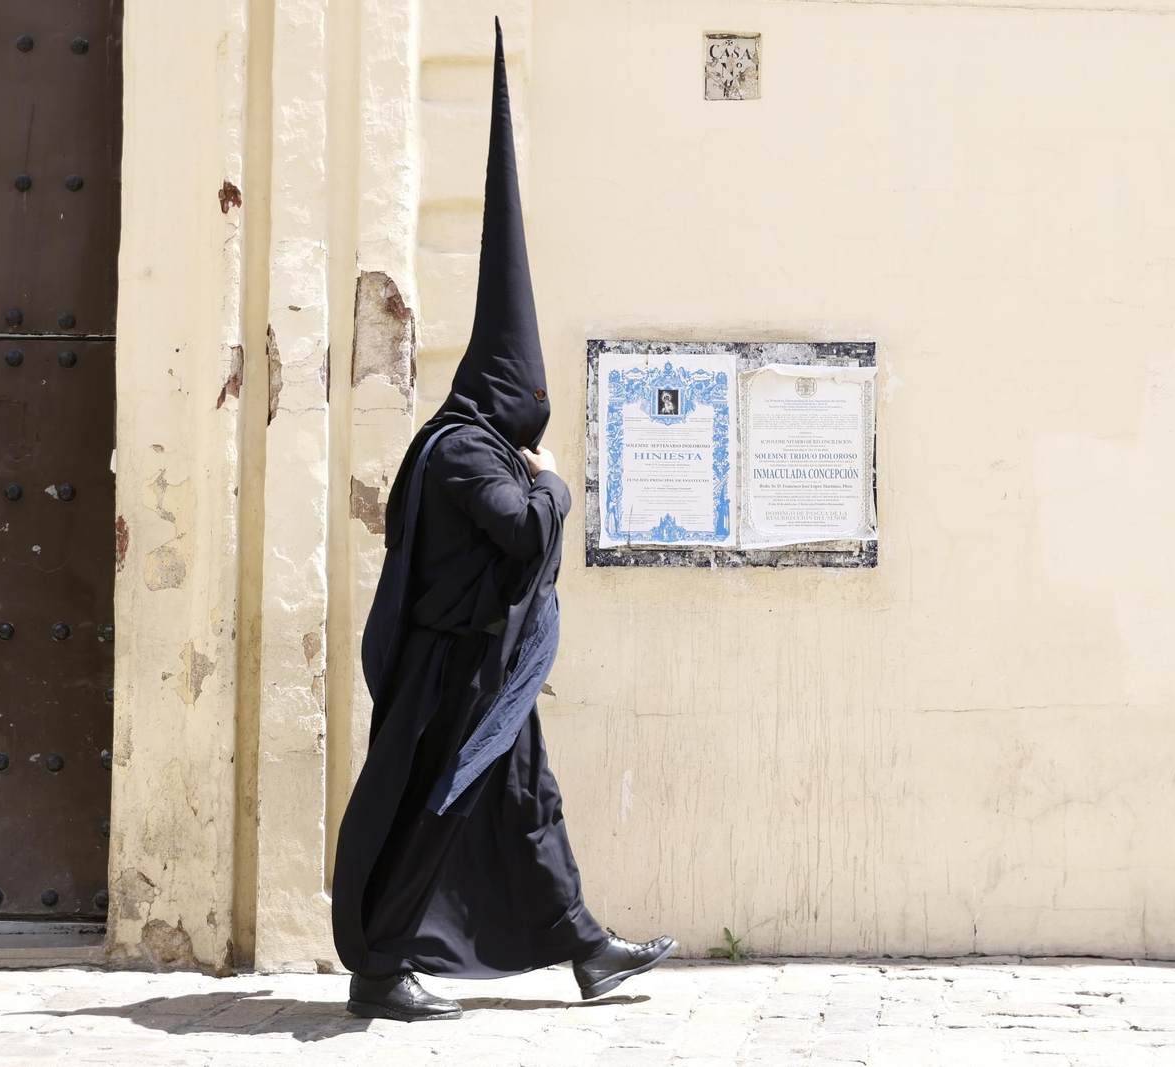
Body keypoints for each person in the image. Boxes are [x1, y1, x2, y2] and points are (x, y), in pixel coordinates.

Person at [330, 19, 674, 1022]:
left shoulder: (476, 441)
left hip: (489, 662)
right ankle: (381, 967)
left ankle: (584, 944)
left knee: (527, 801)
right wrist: (555, 482)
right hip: (451, 668)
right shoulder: (467, 449)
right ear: (503, 392)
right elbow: (520, 527)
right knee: (435, 811)